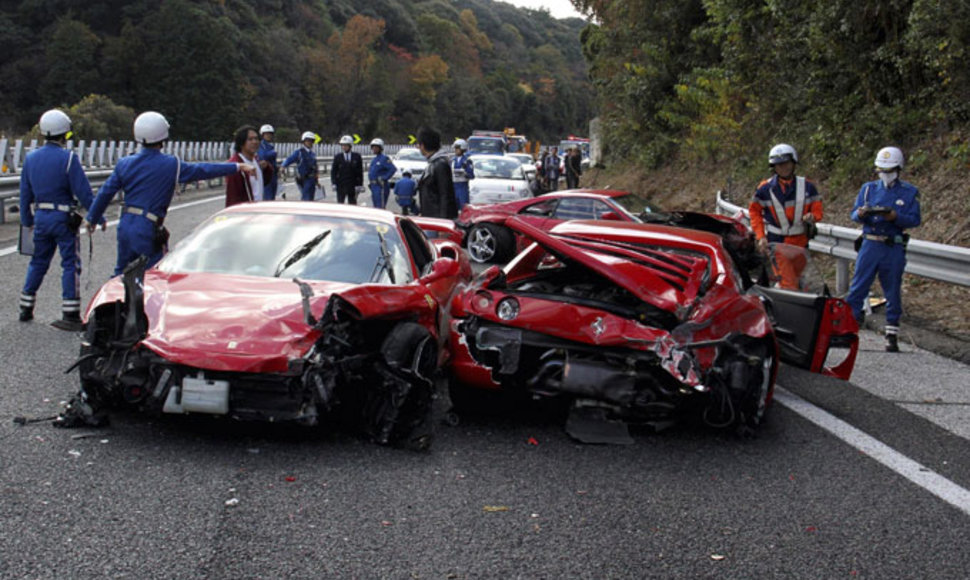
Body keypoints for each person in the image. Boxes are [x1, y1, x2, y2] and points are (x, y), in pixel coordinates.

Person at [85, 111, 255, 276]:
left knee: (121, 274)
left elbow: (105, 193)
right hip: (148, 226)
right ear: (163, 136)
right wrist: (236, 166)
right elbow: (203, 169)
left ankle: (114, 303)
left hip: (126, 224)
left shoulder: (124, 163)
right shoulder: (171, 164)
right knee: (153, 275)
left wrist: (93, 218)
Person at [18, 109, 97, 330]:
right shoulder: (69, 159)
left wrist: (27, 220)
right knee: (70, 263)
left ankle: (26, 306)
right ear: (64, 135)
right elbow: (83, 192)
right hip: (63, 218)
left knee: (38, 261)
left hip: (41, 217)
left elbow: (25, 195)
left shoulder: (31, 159)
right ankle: (70, 311)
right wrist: (95, 215)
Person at [845, 146, 921, 352]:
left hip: (892, 244)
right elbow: (853, 214)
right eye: (882, 171)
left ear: (898, 169)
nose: (885, 175)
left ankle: (891, 333)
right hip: (870, 243)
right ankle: (848, 329)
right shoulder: (868, 189)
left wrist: (895, 217)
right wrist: (861, 214)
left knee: (892, 288)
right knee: (858, 286)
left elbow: (915, 219)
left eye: (889, 171)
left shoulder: (909, 192)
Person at [748, 143, 823, 289]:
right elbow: (754, 212)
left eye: (786, 163)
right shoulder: (765, 188)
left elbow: (818, 210)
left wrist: (812, 216)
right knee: (789, 284)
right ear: (773, 167)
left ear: (793, 163)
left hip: (801, 243)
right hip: (778, 243)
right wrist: (760, 236)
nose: (783, 168)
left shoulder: (808, 187)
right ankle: (791, 309)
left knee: (804, 282)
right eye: (779, 165)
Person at [416, 127, 456, 219]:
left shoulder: (440, 164)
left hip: (437, 219)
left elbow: (445, 195)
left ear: (423, 146)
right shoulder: (433, 163)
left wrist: (443, 222)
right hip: (430, 216)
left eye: (419, 144)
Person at [225, 125, 267, 207]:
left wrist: (267, 168)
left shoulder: (257, 160)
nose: (254, 142)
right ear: (241, 143)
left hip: (259, 209)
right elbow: (233, 196)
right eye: (250, 139)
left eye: (256, 139)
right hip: (245, 212)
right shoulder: (235, 165)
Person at [281, 132, 320, 201]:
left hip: (312, 179)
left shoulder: (312, 154)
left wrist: (317, 181)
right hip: (304, 179)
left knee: (312, 199)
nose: (310, 142)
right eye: (308, 140)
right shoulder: (299, 152)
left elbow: (315, 168)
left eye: (311, 141)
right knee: (306, 198)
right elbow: (290, 159)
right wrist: (283, 166)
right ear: (303, 141)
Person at [331, 135, 364, 204]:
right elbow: (334, 171)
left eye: (346, 145)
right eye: (342, 145)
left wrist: (360, 184)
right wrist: (333, 183)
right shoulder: (338, 157)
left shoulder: (357, 156)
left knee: (352, 203)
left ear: (350, 145)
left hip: (352, 184)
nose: (344, 147)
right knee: (340, 203)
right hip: (341, 184)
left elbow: (360, 172)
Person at [367, 138, 396, 208]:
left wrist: (384, 178)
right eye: (373, 147)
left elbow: (392, 169)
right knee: (375, 207)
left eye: (376, 147)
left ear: (380, 148)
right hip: (374, 186)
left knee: (380, 207)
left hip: (381, 186)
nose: (374, 149)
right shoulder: (374, 160)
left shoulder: (384, 158)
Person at [451, 139, 475, 210]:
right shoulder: (452, 160)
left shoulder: (467, 160)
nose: (456, 150)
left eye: (457, 148)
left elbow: (471, 175)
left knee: (464, 207)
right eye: (455, 148)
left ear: (462, 148)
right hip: (454, 185)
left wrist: (464, 173)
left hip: (462, 186)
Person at [258, 124, 279, 200]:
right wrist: (273, 153)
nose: (269, 136)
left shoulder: (270, 146)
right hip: (266, 174)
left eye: (270, 134)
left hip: (273, 174)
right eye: (266, 134)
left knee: (272, 196)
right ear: (262, 135)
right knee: (268, 197)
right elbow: (262, 156)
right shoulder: (261, 145)